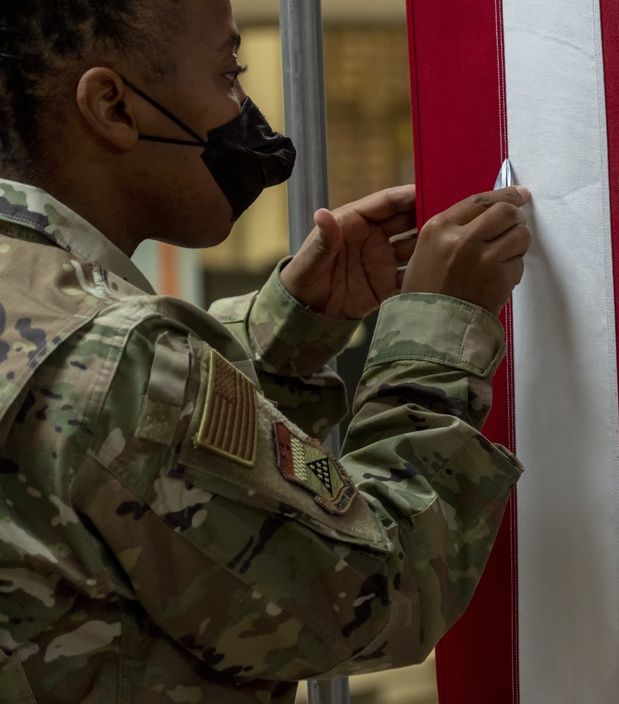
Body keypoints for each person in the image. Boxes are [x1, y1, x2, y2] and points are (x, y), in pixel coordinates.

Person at [0, 0, 531, 701]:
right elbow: (371, 597)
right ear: (112, 107)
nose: (247, 113)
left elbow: (102, 454)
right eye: (229, 73)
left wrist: (290, 328)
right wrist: (437, 332)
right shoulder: (117, 358)